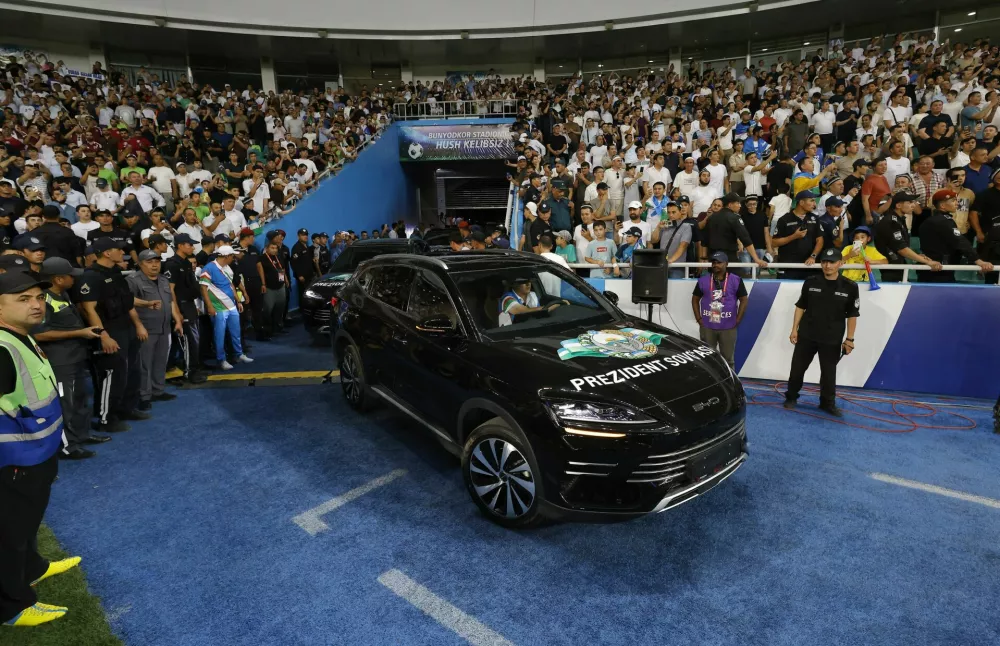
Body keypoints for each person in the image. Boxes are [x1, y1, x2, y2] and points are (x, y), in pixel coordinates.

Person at [0, 271, 83, 628]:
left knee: (27, 526)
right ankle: (11, 605)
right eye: (23, 299)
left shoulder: (20, 336)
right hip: (15, 461)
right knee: (9, 536)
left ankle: (34, 568)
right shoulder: (2, 347)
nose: (36, 304)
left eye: (38, 297)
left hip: (37, 454)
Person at [33, 258, 105, 460]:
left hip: (76, 356)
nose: (74, 279)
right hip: (60, 361)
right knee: (67, 403)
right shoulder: (43, 301)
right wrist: (80, 333)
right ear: (58, 279)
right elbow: (39, 334)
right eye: (70, 275)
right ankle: (67, 446)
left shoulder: (62, 293)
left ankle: (81, 436)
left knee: (80, 399)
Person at [77, 238, 149, 432]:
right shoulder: (91, 276)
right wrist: (104, 335)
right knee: (112, 374)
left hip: (126, 326)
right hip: (109, 328)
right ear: (107, 253)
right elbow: (89, 309)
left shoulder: (115, 272)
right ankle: (105, 418)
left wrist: (139, 324)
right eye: (118, 249)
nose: (122, 252)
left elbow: (127, 301)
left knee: (132, 371)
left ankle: (126, 408)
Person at [784, 247, 861, 417]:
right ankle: (791, 397)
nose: (827, 265)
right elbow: (800, 307)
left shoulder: (850, 286)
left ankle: (827, 403)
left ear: (840, 263)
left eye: (832, 262)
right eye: (824, 261)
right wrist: (794, 329)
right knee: (797, 370)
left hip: (832, 338)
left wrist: (849, 339)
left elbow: (853, 315)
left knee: (828, 373)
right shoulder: (811, 282)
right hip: (806, 335)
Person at [127, 250, 182, 410]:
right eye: (150, 262)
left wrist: (177, 319)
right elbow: (128, 304)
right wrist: (138, 326)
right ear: (141, 263)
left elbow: (170, 301)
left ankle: (158, 390)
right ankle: (144, 395)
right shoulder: (133, 280)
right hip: (146, 328)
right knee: (144, 363)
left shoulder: (164, 279)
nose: (154, 265)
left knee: (160, 361)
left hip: (164, 327)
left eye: (157, 261)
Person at [199, 245, 254, 371]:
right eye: (232, 256)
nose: (233, 258)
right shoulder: (209, 268)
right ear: (227, 256)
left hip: (231, 305)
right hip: (218, 308)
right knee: (219, 335)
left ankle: (239, 354)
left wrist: (238, 301)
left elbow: (231, 285)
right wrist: (210, 307)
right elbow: (203, 288)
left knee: (236, 332)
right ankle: (221, 360)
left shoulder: (227, 267)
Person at [161, 234, 206, 384]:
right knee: (188, 340)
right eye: (189, 244)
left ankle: (193, 367)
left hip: (190, 304)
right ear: (180, 245)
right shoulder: (172, 264)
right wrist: (177, 312)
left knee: (194, 339)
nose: (192, 247)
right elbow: (170, 289)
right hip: (181, 304)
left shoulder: (186, 263)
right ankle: (189, 371)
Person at [922, 189, 994, 282]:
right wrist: (978, 260)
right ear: (943, 206)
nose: (957, 203)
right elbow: (960, 241)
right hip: (939, 268)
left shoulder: (933, 220)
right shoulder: (943, 222)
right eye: (953, 201)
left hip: (935, 266)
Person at [691, 252, 748, 370]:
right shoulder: (703, 280)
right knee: (707, 359)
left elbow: (744, 299)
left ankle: (730, 385)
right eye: (714, 262)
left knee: (728, 360)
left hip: (728, 327)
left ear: (726, 264)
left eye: (719, 262)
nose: (715, 265)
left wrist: (738, 319)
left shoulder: (735, 280)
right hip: (707, 326)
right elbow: (695, 299)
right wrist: (699, 318)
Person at [873, 193, 943, 282]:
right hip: (890, 268)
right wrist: (927, 262)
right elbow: (902, 249)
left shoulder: (899, 220)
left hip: (897, 265)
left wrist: (918, 256)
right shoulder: (891, 221)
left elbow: (901, 247)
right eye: (909, 202)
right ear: (898, 205)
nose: (913, 205)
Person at [498, 276, 564, 327]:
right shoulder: (507, 299)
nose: (528, 284)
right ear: (514, 284)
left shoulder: (532, 295)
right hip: (511, 334)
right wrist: (554, 306)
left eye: (529, 281)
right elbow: (524, 311)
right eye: (523, 282)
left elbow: (538, 316)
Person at [260, 238, 288, 339]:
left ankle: (278, 327)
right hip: (269, 288)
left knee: (280, 308)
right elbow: (261, 272)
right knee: (268, 310)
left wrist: (285, 281)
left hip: (280, 286)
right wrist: (263, 284)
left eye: (276, 248)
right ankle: (268, 331)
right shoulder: (262, 258)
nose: (274, 250)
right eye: (272, 248)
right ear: (267, 249)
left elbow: (282, 269)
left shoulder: (278, 257)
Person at [290, 228, 314, 308]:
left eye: (306, 235)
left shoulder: (306, 246)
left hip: (310, 275)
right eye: (303, 235)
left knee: (310, 294)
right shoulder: (296, 247)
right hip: (302, 277)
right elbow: (294, 263)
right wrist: (299, 275)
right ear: (298, 236)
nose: (305, 236)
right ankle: (303, 311)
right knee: (303, 294)